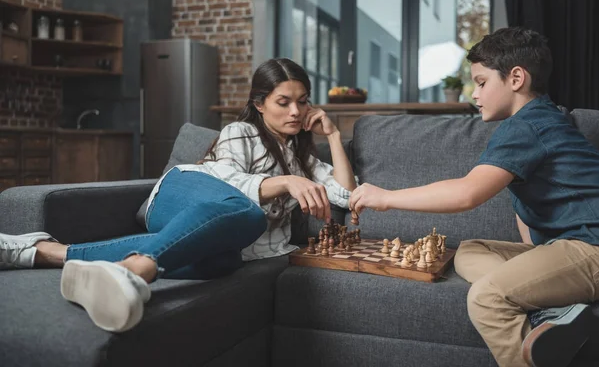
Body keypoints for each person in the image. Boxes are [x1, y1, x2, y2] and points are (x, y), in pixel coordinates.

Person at [0, 58, 357, 333]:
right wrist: (287, 183)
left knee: (224, 262)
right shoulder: (240, 133)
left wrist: (335, 136)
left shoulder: (301, 158)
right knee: (248, 213)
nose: (295, 111)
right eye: (284, 101)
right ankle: (137, 270)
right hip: (178, 194)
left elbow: (346, 194)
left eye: (302, 102)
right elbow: (231, 186)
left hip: (212, 230)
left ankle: (47, 252)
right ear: (260, 103)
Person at [349, 27, 599, 367]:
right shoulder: (540, 118)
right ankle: (552, 310)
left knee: (487, 298)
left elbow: (467, 193)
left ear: (515, 78)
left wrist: (386, 197)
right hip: (571, 247)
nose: (474, 94)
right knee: (469, 250)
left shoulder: (525, 126)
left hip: (592, 247)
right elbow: (527, 209)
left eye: (481, 82)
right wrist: (535, 266)